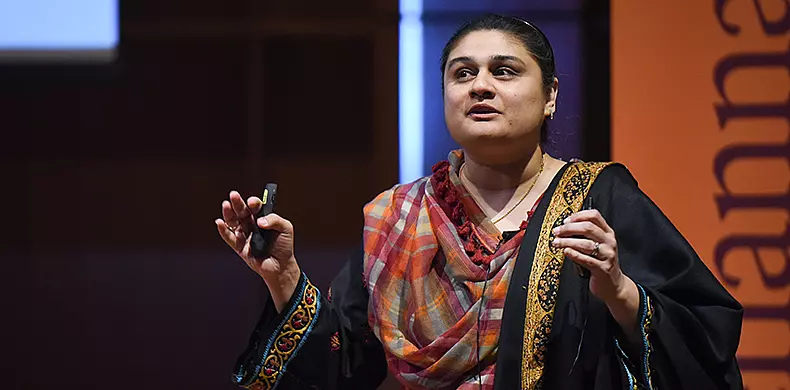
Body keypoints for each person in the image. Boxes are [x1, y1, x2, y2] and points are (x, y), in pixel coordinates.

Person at [215, 14, 744, 390]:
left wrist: (621, 292)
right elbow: (341, 367)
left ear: (551, 96)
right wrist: (283, 275)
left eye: (504, 71)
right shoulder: (398, 217)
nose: (480, 87)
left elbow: (705, 341)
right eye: (462, 73)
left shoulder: (600, 198)